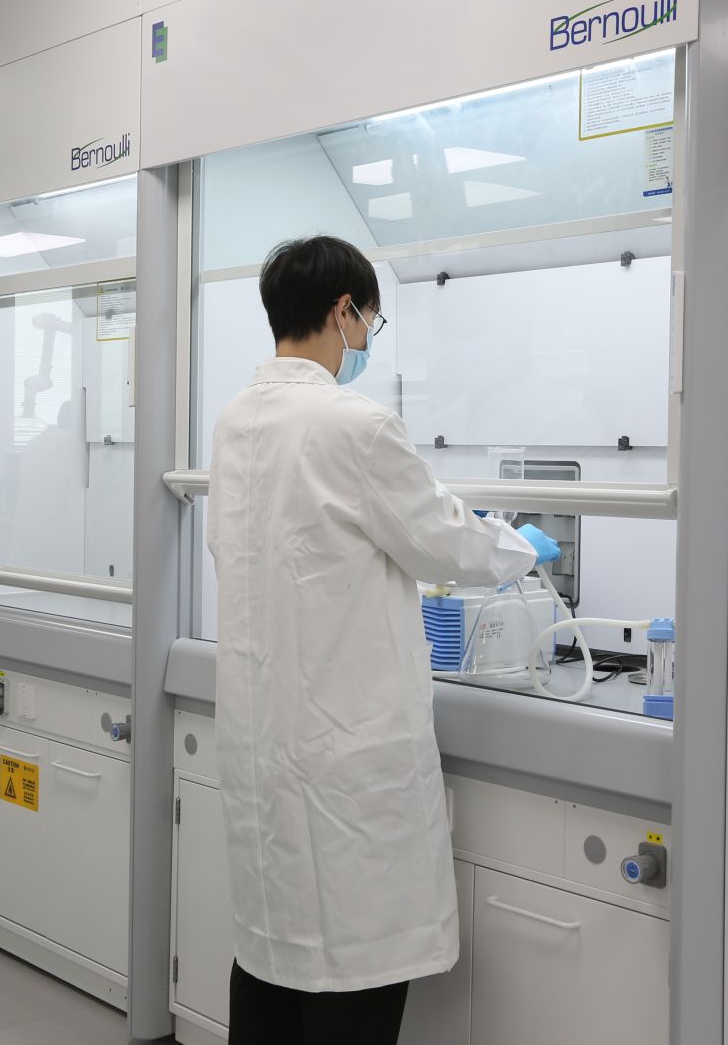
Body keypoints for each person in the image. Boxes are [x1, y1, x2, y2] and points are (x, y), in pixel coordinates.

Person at [206, 237, 561, 1043]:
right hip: (346, 759)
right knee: (349, 977)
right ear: (344, 311)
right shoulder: (354, 423)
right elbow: (443, 540)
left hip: (265, 742)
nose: (367, 335)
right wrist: (518, 545)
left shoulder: (236, 420)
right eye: (371, 318)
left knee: (270, 964)